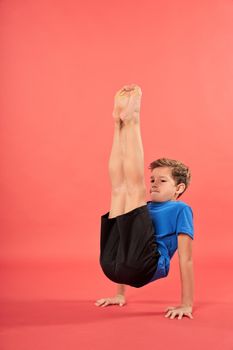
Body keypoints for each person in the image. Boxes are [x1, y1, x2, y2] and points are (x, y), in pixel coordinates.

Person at [94, 84, 194, 320]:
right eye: (152, 179)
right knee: (119, 190)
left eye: (162, 180)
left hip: (145, 267)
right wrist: (120, 292)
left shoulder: (180, 209)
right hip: (112, 265)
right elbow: (128, 241)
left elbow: (186, 258)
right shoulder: (145, 208)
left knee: (131, 189)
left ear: (179, 188)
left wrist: (186, 303)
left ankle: (133, 120)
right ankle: (118, 124)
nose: (154, 184)